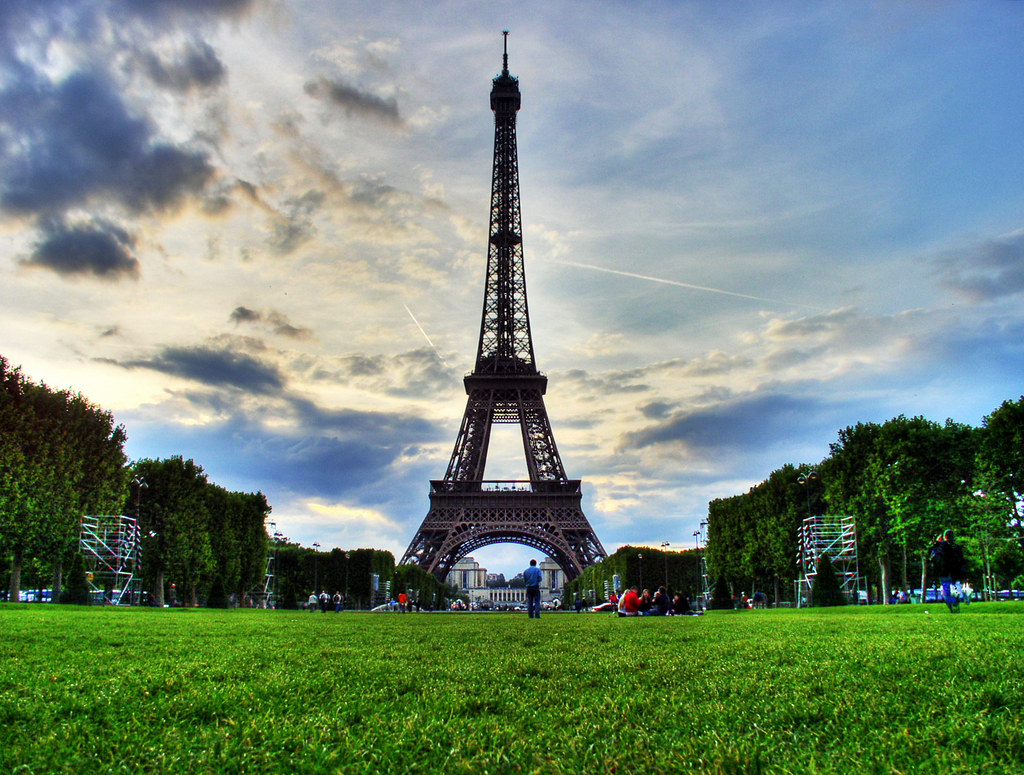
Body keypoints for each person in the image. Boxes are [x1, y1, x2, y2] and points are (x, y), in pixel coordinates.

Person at [929, 529, 967, 613]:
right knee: (954, 589)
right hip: (955, 573)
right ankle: (956, 602)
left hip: (944, 572)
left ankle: (952, 605)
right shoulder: (957, 547)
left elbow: (934, 557)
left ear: (945, 537)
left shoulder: (941, 546)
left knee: (946, 591)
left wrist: (936, 543)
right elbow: (962, 561)